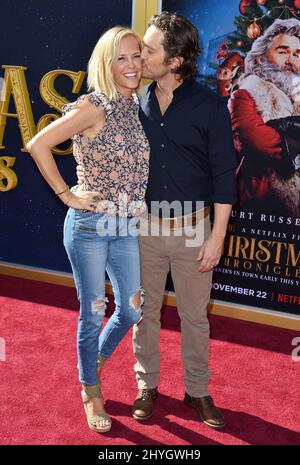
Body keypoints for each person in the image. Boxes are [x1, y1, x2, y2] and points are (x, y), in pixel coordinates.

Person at [78, 12, 237, 429]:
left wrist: (216, 237)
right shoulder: (135, 101)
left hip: (193, 229)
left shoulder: (209, 106)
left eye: (149, 50)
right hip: (143, 228)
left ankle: (197, 389)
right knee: (142, 312)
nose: (140, 58)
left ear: (176, 59)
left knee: (195, 316)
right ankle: (147, 386)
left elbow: (224, 177)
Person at [26, 26, 150, 433]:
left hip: (126, 224)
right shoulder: (94, 107)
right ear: (106, 63)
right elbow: (38, 144)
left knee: (131, 308)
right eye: (122, 58)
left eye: (136, 56)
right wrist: (67, 195)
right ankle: (90, 389)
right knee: (94, 310)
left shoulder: (134, 104)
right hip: (91, 226)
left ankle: (90, 359)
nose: (131, 65)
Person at [228, 18, 300, 217]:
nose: (291, 60)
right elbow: (257, 141)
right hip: (259, 203)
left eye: (297, 54)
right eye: (283, 51)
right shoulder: (244, 94)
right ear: (261, 58)